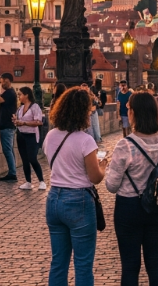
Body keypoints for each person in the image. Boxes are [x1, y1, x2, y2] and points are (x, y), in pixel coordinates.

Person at [105, 92, 158, 286]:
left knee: (130, 266)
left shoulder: (125, 145)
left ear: (134, 113)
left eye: (128, 108)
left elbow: (111, 185)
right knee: (155, 265)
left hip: (129, 207)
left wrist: (108, 166)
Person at [44, 87, 108, 286]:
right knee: (82, 264)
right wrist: (103, 166)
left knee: (58, 263)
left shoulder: (51, 136)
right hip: (78, 200)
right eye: (89, 109)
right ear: (82, 111)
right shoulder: (85, 141)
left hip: (54, 198)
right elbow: (94, 177)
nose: (91, 112)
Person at [13, 87, 45, 191]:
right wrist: (16, 121)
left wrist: (24, 123)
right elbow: (18, 121)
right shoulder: (20, 108)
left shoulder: (35, 107)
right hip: (21, 135)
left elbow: (39, 122)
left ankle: (41, 181)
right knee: (25, 160)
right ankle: (28, 182)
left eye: (20, 94)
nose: (19, 97)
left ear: (26, 95)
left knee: (32, 158)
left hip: (31, 136)